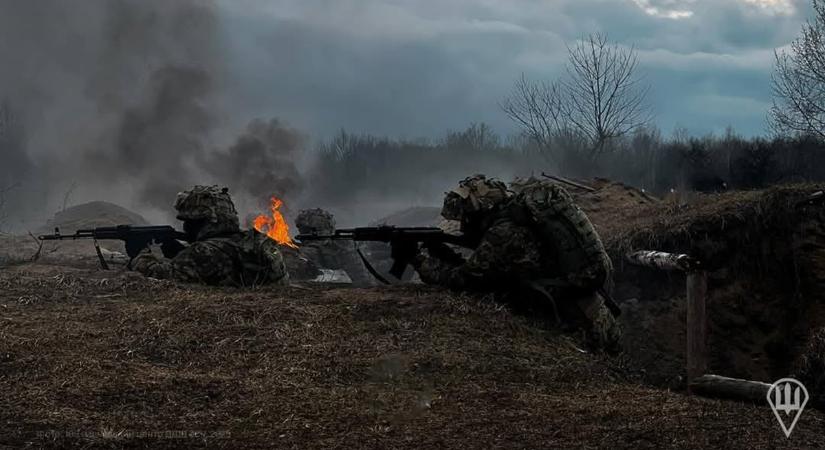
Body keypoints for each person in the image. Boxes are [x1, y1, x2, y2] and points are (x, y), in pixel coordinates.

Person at [412, 174, 621, 350]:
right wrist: (440, 251)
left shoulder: (504, 233)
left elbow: (466, 279)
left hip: (579, 328)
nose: (465, 225)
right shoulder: (517, 219)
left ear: (482, 212)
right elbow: (484, 270)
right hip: (592, 315)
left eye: (467, 218)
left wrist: (420, 261)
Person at [133, 185, 288, 287]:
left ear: (205, 221)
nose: (186, 226)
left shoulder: (204, 252)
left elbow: (159, 277)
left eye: (190, 221)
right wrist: (179, 252)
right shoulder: (249, 240)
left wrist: (140, 254)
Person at [294, 208, 374, 285]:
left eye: (304, 230)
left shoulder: (341, 246)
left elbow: (361, 278)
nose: (301, 233)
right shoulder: (341, 245)